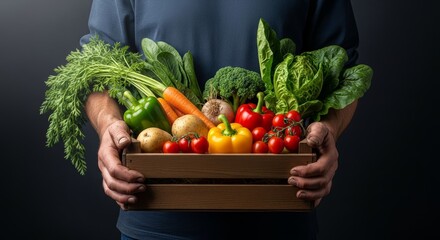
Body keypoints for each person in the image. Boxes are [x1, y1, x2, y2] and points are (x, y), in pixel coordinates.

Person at [82, 0, 360, 239]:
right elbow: (95, 72)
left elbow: (345, 71)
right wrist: (108, 125)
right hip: (156, 218)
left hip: (280, 215)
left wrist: (330, 132)